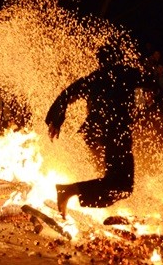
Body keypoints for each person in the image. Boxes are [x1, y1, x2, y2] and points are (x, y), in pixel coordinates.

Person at [45, 45, 149, 218]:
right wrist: (139, 116)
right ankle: (69, 190)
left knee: (115, 180)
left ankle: (83, 196)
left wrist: (56, 120)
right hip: (114, 132)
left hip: (94, 134)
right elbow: (141, 100)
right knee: (123, 184)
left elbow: (67, 94)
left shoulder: (94, 78)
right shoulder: (130, 74)